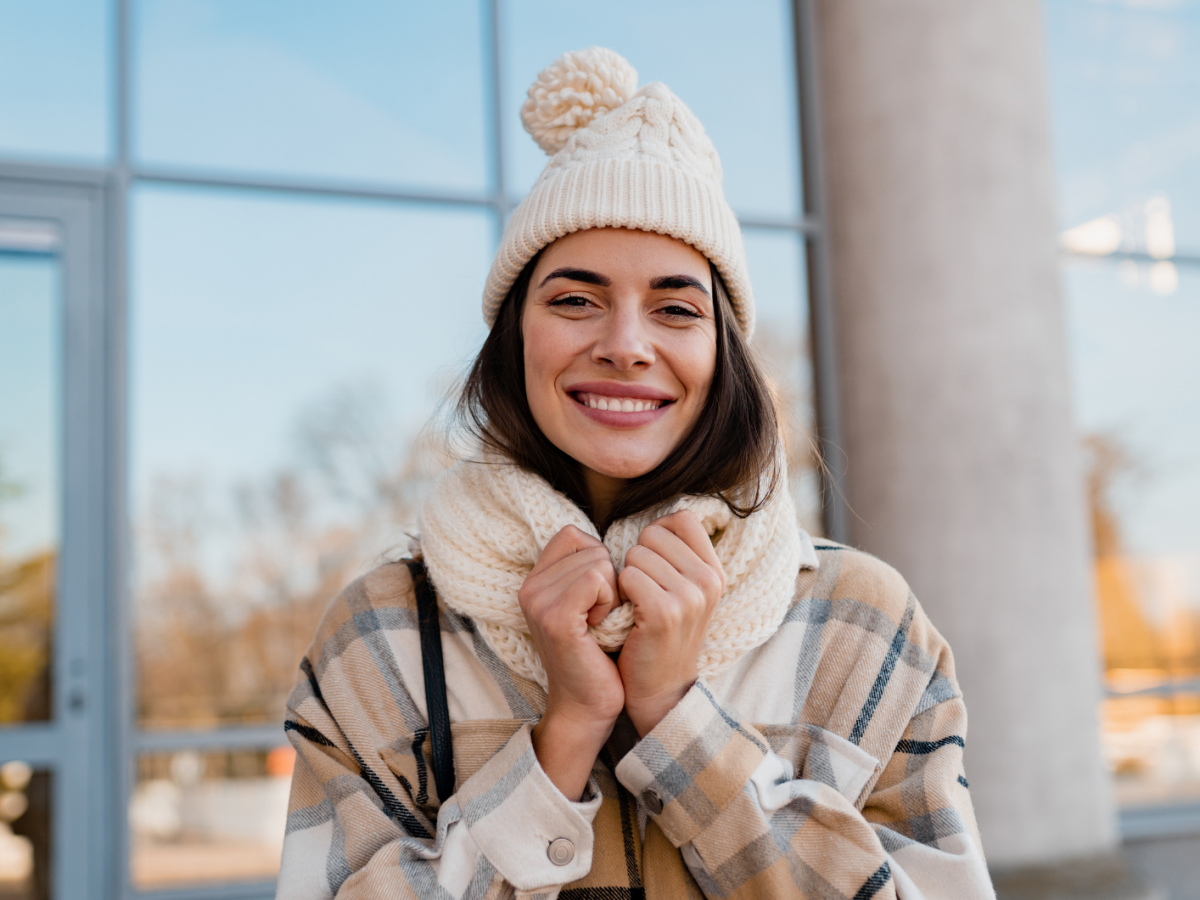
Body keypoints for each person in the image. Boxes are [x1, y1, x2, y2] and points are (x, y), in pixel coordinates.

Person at [276, 47, 995, 900]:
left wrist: (679, 723)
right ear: (514, 341)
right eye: (575, 299)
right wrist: (564, 739)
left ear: (724, 354)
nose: (624, 344)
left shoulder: (864, 628)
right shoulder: (382, 635)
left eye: (676, 308)